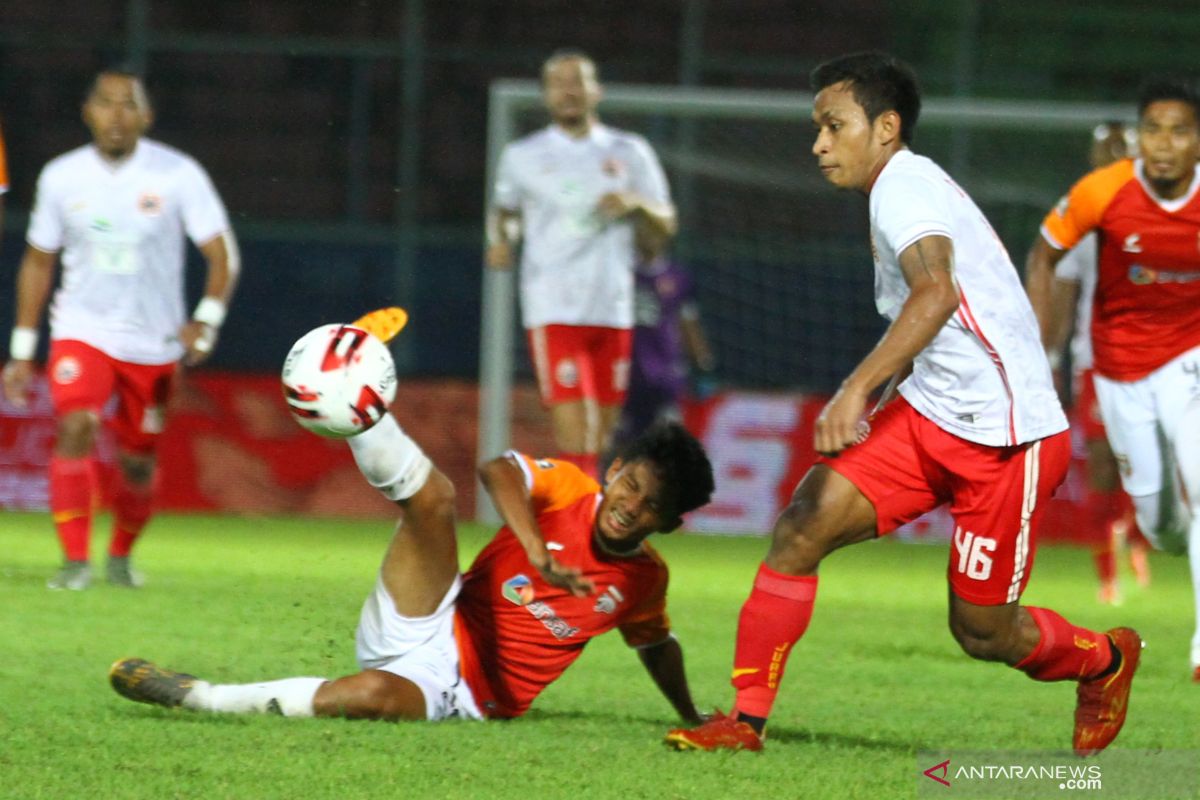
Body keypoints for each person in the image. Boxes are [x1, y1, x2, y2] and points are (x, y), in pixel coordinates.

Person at [665, 52, 1139, 756]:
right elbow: (938, 317)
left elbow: (937, 293)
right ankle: (743, 722)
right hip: (928, 414)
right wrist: (887, 394)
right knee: (802, 526)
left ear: (885, 127)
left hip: (1005, 440)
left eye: (834, 125)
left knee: (983, 632)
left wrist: (855, 387)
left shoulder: (903, 190)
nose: (819, 143)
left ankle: (1106, 660)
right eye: (817, 127)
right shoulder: (899, 189)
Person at [108, 404, 714, 726]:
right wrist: (534, 547)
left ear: (667, 523)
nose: (629, 507)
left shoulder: (645, 581)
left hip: (463, 698)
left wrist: (690, 713)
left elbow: (656, 644)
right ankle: (359, 406)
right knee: (435, 500)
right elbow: (498, 469)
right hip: (434, 616)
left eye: (650, 506)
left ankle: (200, 698)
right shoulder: (570, 491)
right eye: (630, 485)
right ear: (614, 472)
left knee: (368, 695)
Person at [0, 68, 239, 590]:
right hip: (82, 331)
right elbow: (38, 263)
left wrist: (207, 321)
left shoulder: (178, 175)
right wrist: (22, 350)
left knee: (137, 460)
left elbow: (223, 256)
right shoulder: (62, 177)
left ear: (146, 117)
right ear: (87, 112)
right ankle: (75, 563)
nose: (116, 115)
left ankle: (120, 556)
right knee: (75, 426)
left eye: (128, 105)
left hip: (153, 344)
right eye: (105, 103)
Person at [1026, 77, 1200, 680]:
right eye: (1151, 130)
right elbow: (1054, 273)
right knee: (1131, 490)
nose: (1161, 144)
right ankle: (1144, 547)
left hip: (1186, 358)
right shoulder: (1097, 202)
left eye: (1178, 131)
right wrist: (1043, 359)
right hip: (1111, 366)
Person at [485, 49, 677, 479]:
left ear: (597, 90)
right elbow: (505, 213)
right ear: (546, 94)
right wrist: (502, 241)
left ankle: (577, 524)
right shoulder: (522, 155)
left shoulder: (630, 151)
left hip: (612, 307)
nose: (568, 90)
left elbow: (667, 220)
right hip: (553, 307)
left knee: (600, 440)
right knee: (579, 433)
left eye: (578, 81)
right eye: (558, 82)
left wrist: (635, 203)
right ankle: (578, 536)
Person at [1042, 122, 1150, 606]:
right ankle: (1107, 575)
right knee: (1103, 468)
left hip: (1163, 365)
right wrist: (1050, 358)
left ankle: (1136, 539)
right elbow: (1061, 294)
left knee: (1152, 468)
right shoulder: (1082, 224)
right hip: (1101, 365)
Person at [611, 228, 716, 451]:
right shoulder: (621, 273)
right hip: (628, 374)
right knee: (622, 444)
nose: (649, 238)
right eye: (644, 232)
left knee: (668, 441)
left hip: (665, 375)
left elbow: (688, 321)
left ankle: (666, 485)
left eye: (654, 233)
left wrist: (703, 363)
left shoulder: (678, 277)